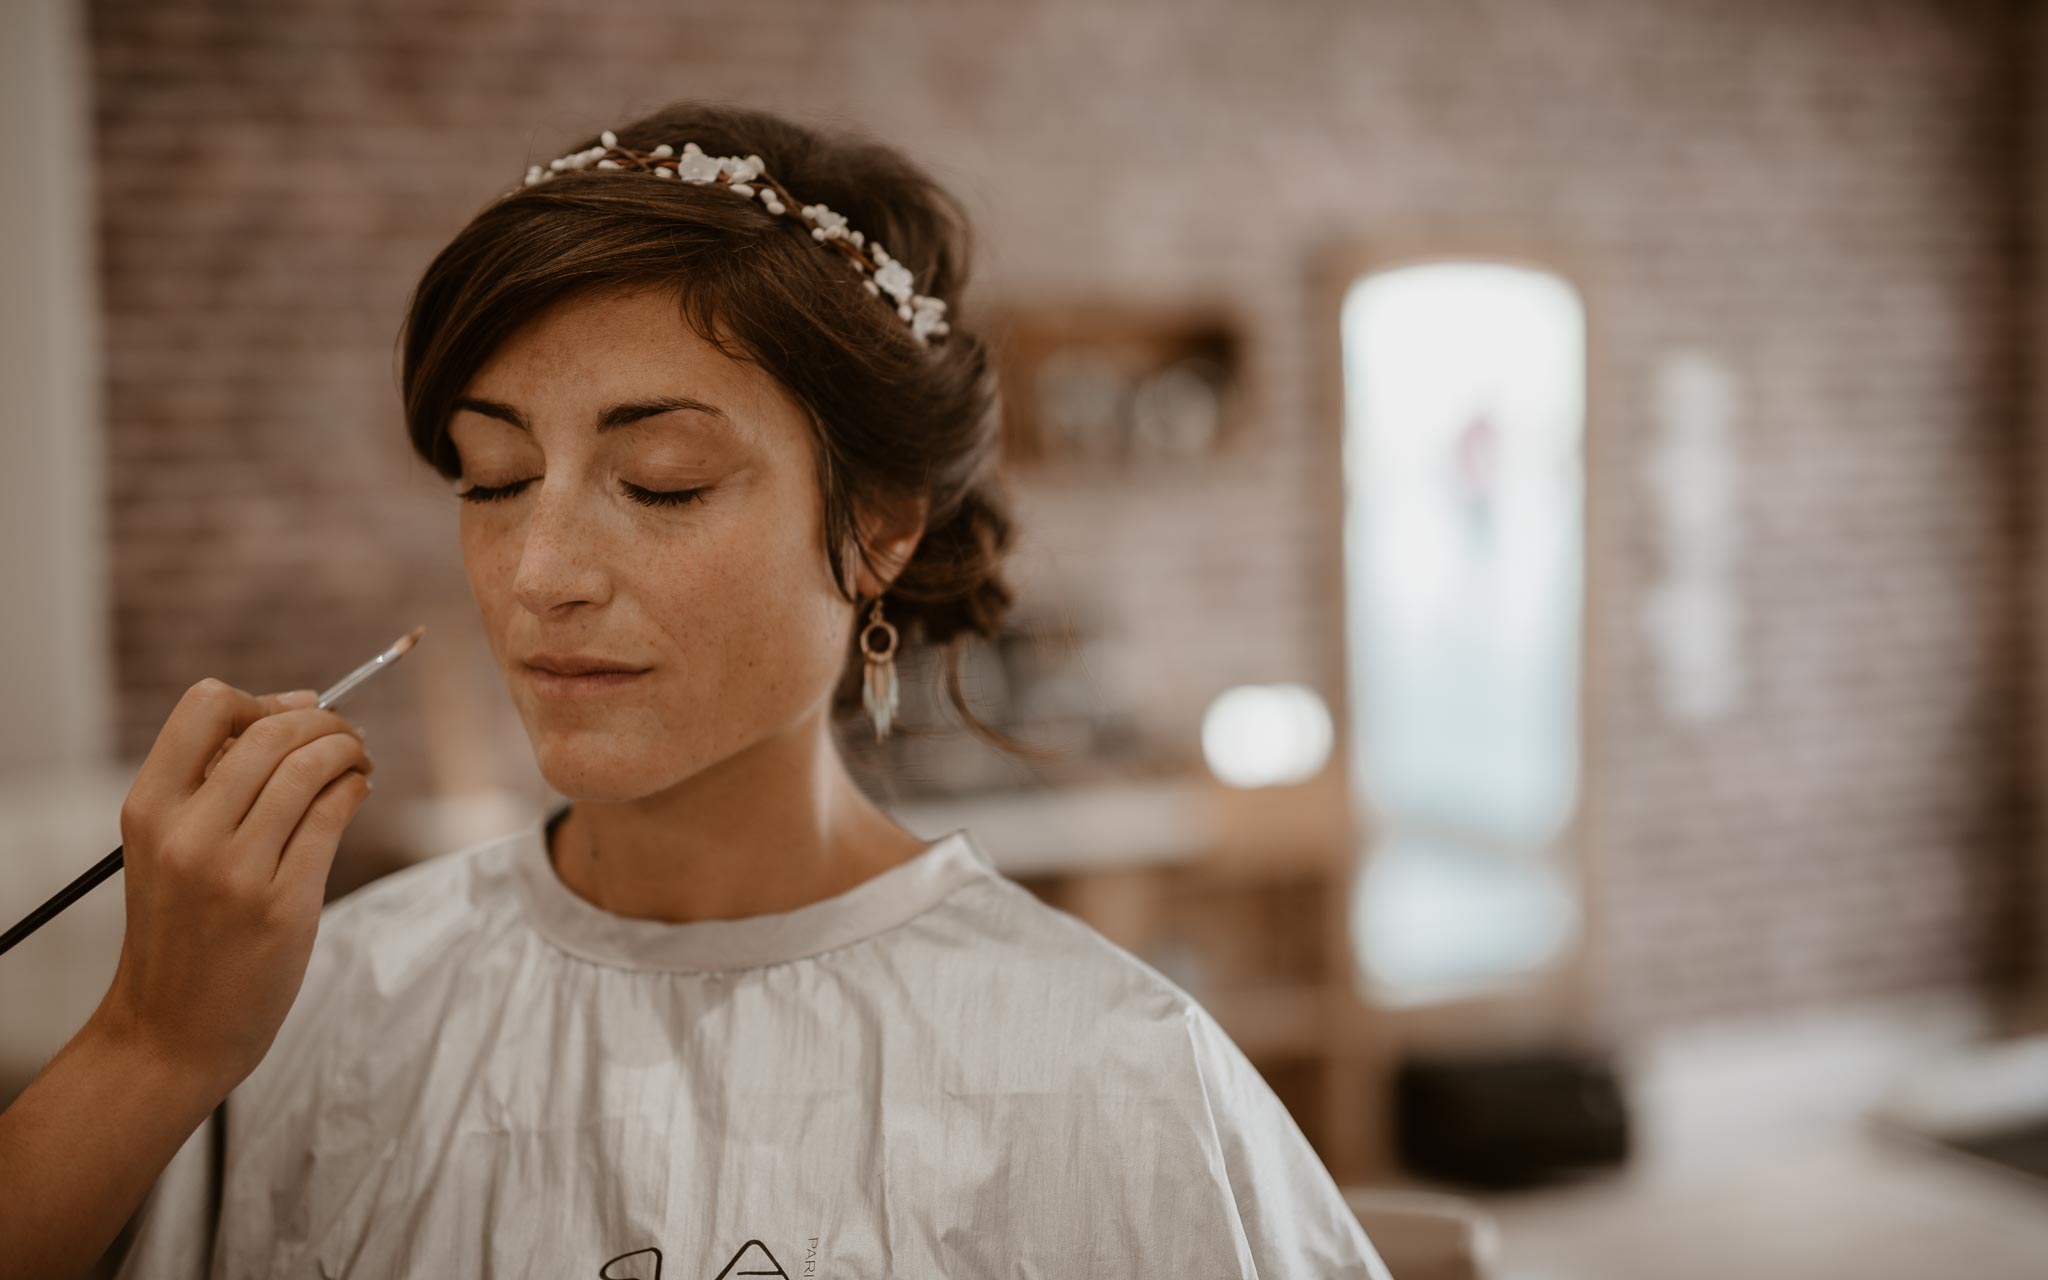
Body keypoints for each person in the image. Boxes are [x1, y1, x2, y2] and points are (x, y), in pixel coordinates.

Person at [96, 100, 1393, 1277]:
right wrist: (147, 1041)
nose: (538, 572)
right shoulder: (314, 1011)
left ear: (878, 524)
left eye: (661, 480)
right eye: (492, 478)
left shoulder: (1117, 1072)